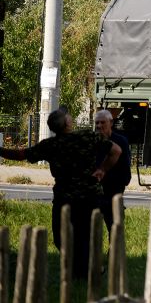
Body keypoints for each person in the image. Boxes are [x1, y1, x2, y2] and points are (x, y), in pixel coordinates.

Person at [0, 107, 121, 278]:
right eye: (69, 117)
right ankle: (86, 269)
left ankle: (81, 271)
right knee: (85, 236)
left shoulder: (50, 145)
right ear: (67, 124)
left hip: (64, 198)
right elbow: (116, 151)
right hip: (90, 197)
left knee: (61, 236)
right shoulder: (87, 137)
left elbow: (21, 155)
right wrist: (102, 169)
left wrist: (0, 150)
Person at [94, 109, 131, 231]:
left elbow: (125, 168)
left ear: (111, 123)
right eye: (97, 123)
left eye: (102, 122)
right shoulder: (92, 140)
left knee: (115, 227)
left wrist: (119, 185)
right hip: (95, 190)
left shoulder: (121, 141)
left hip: (113, 190)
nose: (99, 126)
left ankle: (114, 250)